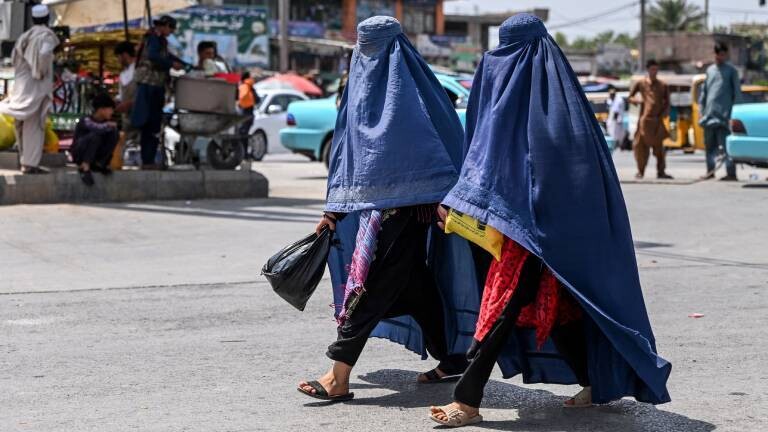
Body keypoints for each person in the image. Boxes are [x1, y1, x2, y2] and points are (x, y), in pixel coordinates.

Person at [428, 14, 671, 427]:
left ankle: (467, 398)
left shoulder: (558, 109)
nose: (499, 60)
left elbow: (563, 172)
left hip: (538, 230)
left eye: (508, 51)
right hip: (519, 227)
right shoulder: (523, 97)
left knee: (504, 305)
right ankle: (591, 380)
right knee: (558, 306)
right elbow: (484, 158)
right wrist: (463, 200)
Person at [297, 16, 482, 402]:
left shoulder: (413, 90)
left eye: (372, 47)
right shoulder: (364, 90)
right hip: (391, 214)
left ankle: (338, 374)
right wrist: (335, 211)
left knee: (373, 286)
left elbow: (442, 145)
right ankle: (451, 358)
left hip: (408, 213)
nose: (367, 56)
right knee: (415, 285)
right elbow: (352, 155)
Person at [0, 5, 59, 174]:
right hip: (35, 86)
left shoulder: (24, 36)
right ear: (47, 18)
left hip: (21, 85)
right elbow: (45, 54)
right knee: (34, 125)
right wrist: (40, 71)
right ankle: (30, 164)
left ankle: (26, 160)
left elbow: (14, 59)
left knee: (21, 123)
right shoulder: (45, 36)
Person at [131, 15, 184, 169]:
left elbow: (165, 56)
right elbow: (154, 56)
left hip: (156, 85)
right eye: (171, 28)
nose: (171, 32)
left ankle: (149, 160)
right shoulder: (153, 38)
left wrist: (181, 62)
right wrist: (171, 64)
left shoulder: (160, 40)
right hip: (149, 83)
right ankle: (147, 160)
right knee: (148, 122)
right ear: (165, 25)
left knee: (153, 125)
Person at [699, 42, 741, 181]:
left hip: (725, 118)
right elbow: (704, 94)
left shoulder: (731, 71)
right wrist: (702, 111)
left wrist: (734, 116)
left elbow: (737, 94)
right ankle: (710, 171)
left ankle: (731, 173)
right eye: (717, 54)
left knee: (727, 147)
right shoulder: (710, 70)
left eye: (722, 54)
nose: (719, 57)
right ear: (714, 54)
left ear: (726, 55)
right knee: (709, 147)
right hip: (709, 116)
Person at [629, 59, 673, 180]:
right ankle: (640, 171)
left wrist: (665, 113)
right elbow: (630, 97)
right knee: (640, 147)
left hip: (657, 121)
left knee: (659, 149)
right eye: (652, 69)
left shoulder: (663, 85)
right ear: (648, 69)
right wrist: (637, 101)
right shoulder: (641, 83)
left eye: (656, 69)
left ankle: (661, 171)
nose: (654, 72)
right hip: (644, 121)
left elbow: (667, 102)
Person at [70, 93, 119, 186]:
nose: (112, 112)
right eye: (110, 109)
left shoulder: (106, 123)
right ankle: (85, 166)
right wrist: (107, 125)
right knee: (95, 136)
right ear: (101, 109)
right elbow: (96, 128)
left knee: (114, 133)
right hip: (80, 154)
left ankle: (100, 163)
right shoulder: (86, 120)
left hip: (95, 154)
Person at [237, 71, 259, 156]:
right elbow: (257, 100)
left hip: (244, 113)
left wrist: (240, 103)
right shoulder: (250, 86)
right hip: (250, 114)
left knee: (241, 134)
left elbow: (241, 97)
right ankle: (245, 153)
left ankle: (243, 154)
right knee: (244, 134)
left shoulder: (243, 86)